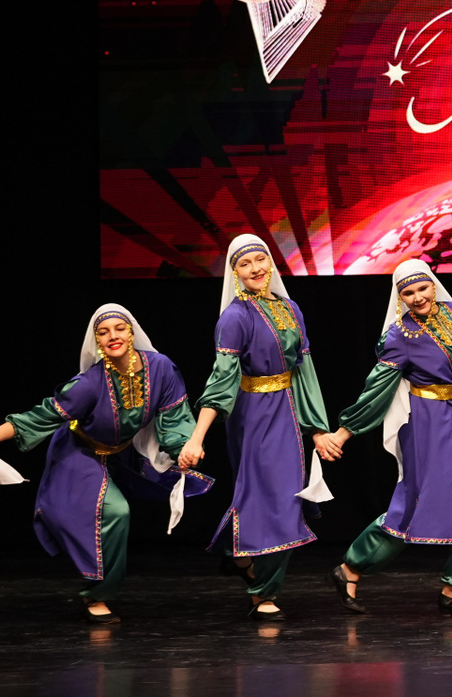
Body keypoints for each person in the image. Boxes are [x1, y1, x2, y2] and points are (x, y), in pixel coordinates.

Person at [0, 305, 214, 621]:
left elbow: (175, 418)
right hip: (79, 451)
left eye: (119, 328)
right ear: (96, 340)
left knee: (129, 502)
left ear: (132, 332)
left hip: (122, 452)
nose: (113, 336)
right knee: (115, 511)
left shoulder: (161, 368)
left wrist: (184, 447)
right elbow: (39, 417)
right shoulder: (89, 383)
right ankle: (97, 595)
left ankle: (98, 590)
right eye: (103, 332)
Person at [315, 259, 452, 616]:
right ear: (399, 297)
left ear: (433, 285)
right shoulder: (400, 335)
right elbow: (376, 391)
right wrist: (344, 432)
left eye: (422, 288)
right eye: (408, 292)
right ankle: (354, 566)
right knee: (417, 504)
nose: (417, 297)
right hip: (425, 424)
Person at [175, 233, 333, 623]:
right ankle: (263, 591)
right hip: (253, 415)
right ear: (235, 273)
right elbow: (221, 381)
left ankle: (239, 554)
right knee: (269, 498)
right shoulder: (234, 317)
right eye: (245, 264)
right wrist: (196, 438)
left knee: (283, 498)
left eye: (260, 260)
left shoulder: (290, 308)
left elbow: (305, 371)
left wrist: (316, 428)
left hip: (287, 410)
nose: (256, 269)